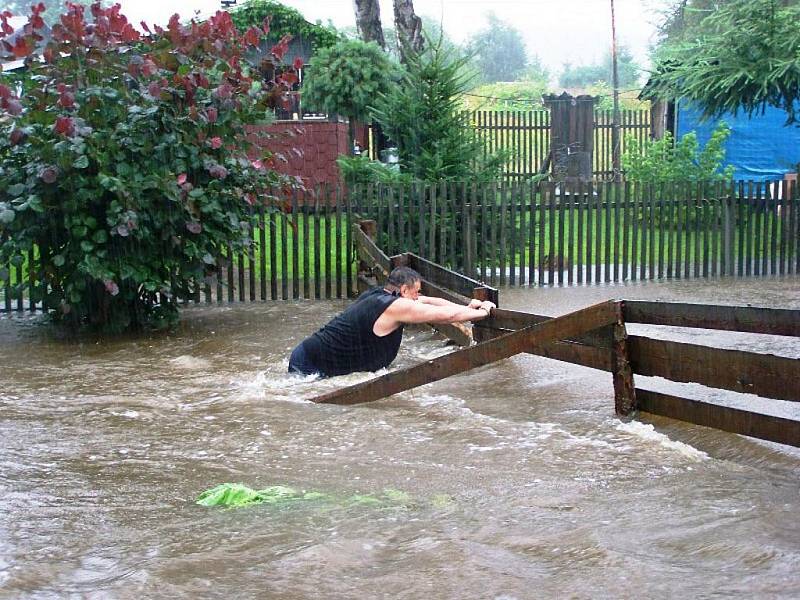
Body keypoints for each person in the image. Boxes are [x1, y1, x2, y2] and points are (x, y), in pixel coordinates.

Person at [288, 266, 496, 377]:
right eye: (416, 292)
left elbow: (433, 302)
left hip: (308, 355)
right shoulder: (396, 306)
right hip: (310, 363)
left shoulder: (383, 295)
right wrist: (484, 313)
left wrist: (468, 308)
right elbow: (445, 316)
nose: (418, 297)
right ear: (404, 290)